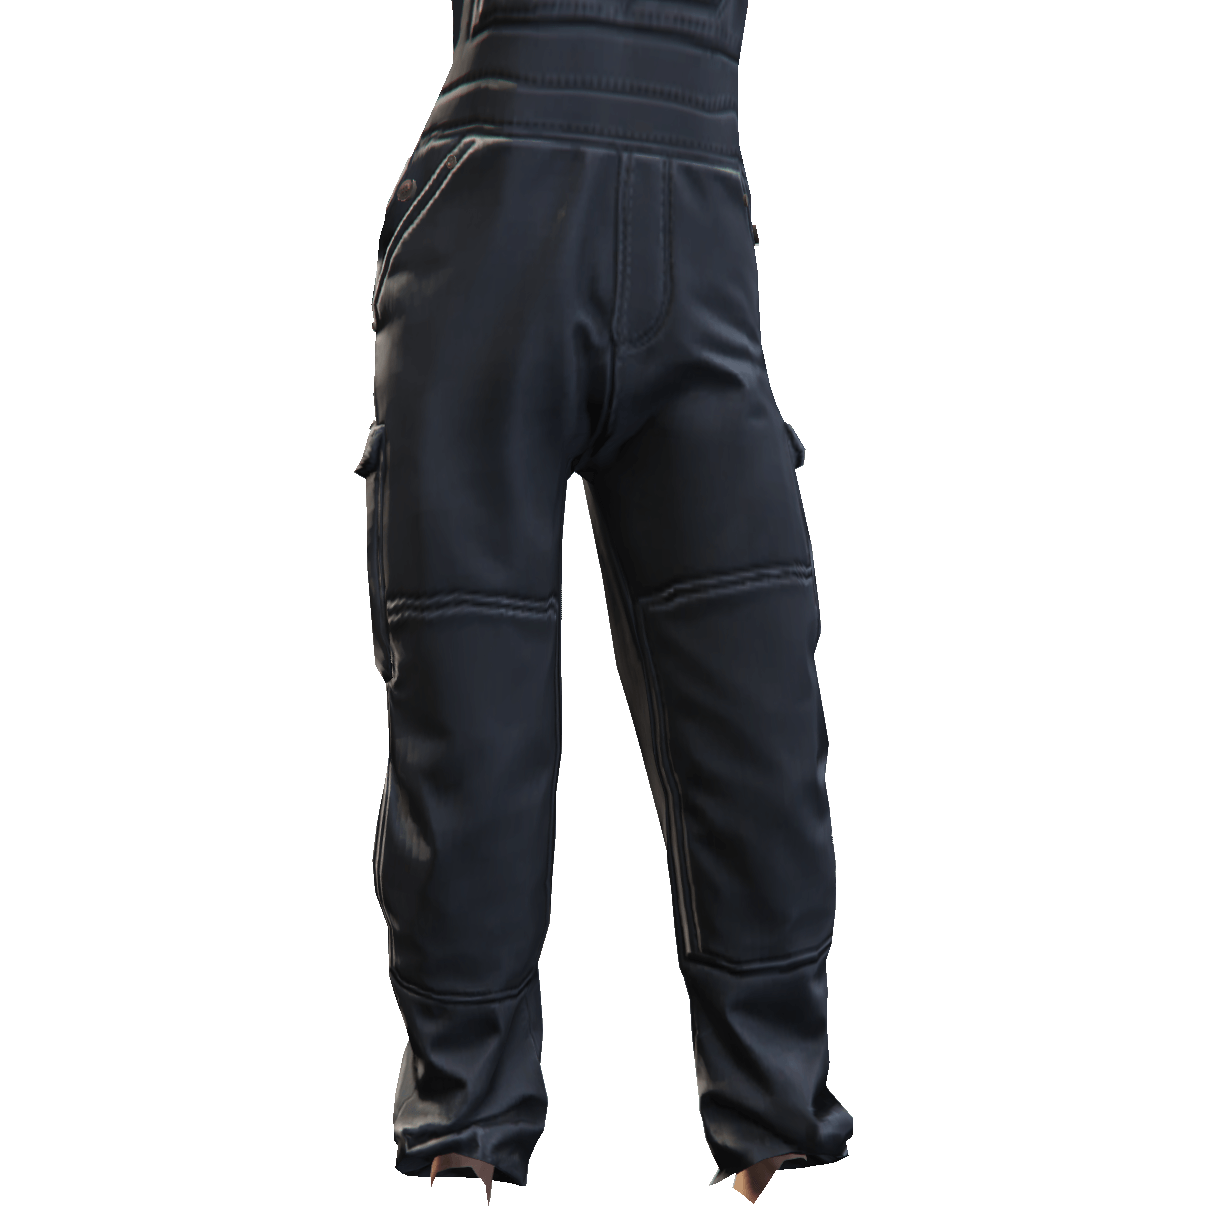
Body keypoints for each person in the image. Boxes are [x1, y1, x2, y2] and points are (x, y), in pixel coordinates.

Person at [363, 2, 853, 1197]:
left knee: (760, 712)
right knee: (472, 719)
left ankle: (779, 1135)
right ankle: (466, 1140)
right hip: (495, 189)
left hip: (703, 202)